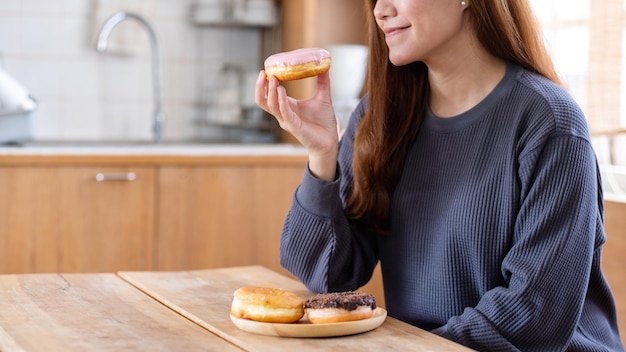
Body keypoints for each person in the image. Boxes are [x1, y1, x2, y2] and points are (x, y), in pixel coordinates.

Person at [255, 0, 624, 350]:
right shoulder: (380, 119)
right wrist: (322, 154)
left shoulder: (550, 122)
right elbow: (329, 279)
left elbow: (534, 314)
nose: (381, 10)